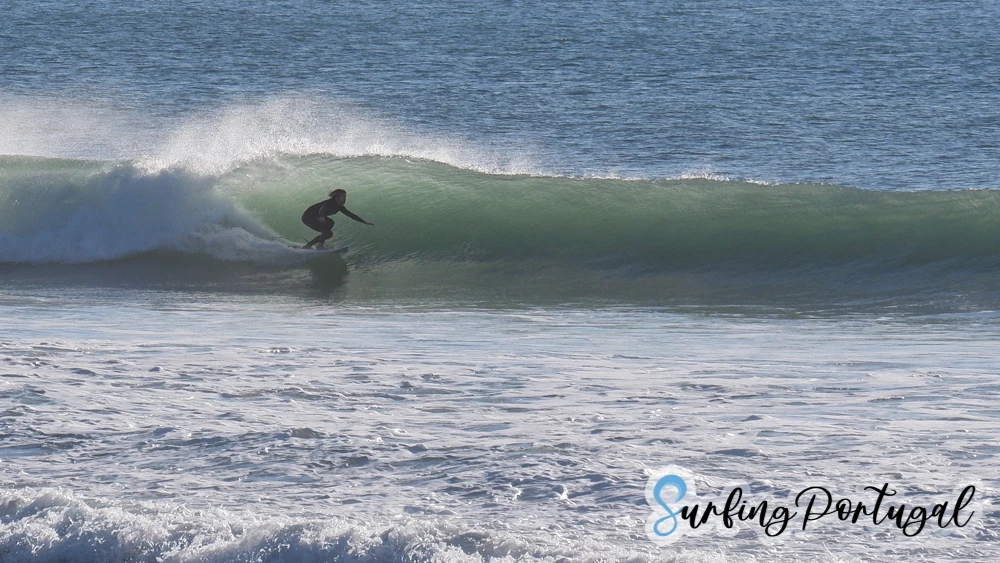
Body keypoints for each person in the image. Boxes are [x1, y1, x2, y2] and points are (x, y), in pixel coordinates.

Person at [301, 189, 374, 249]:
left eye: (345, 197)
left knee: (329, 234)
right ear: (337, 197)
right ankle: (320, 245)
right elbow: (322, 210)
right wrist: (322, 217)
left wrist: (364, 222)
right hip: (308, 216)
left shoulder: (340, 207)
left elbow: (351, 215)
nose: (345, 199)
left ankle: (308, 246)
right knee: (330, 223)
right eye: (343, 197)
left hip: (316, 217)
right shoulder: (329, 203)